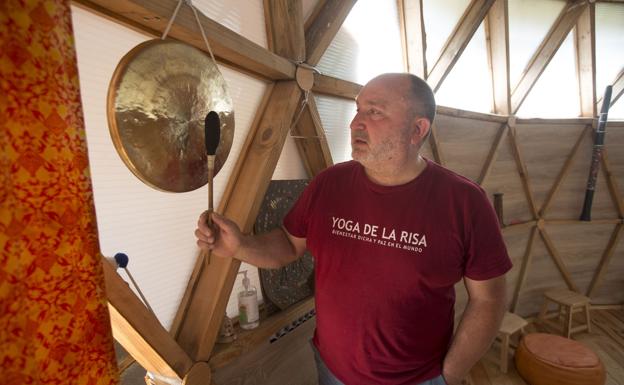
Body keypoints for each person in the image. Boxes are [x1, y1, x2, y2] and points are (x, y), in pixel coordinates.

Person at [195, 73, 512, 385]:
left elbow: (488, 300)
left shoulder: (465, 202)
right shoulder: (328, 184)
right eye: (358, 109)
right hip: (331, 371)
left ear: (417, 129)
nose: (355, 122)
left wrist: (450, 375)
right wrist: (240, 246)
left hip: (418, 379)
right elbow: (290, 245)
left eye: (374, 112)